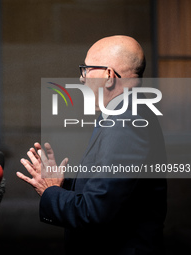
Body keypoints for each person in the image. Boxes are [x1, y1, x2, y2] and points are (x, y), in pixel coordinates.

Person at [17, 35, 167, 255]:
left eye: (86, 70)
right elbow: (109, 193)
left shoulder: (127, 122)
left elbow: (95, 211)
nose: (82, 78)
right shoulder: (125, 113)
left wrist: (50, 191)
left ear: (108, 75)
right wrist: (62, 185)